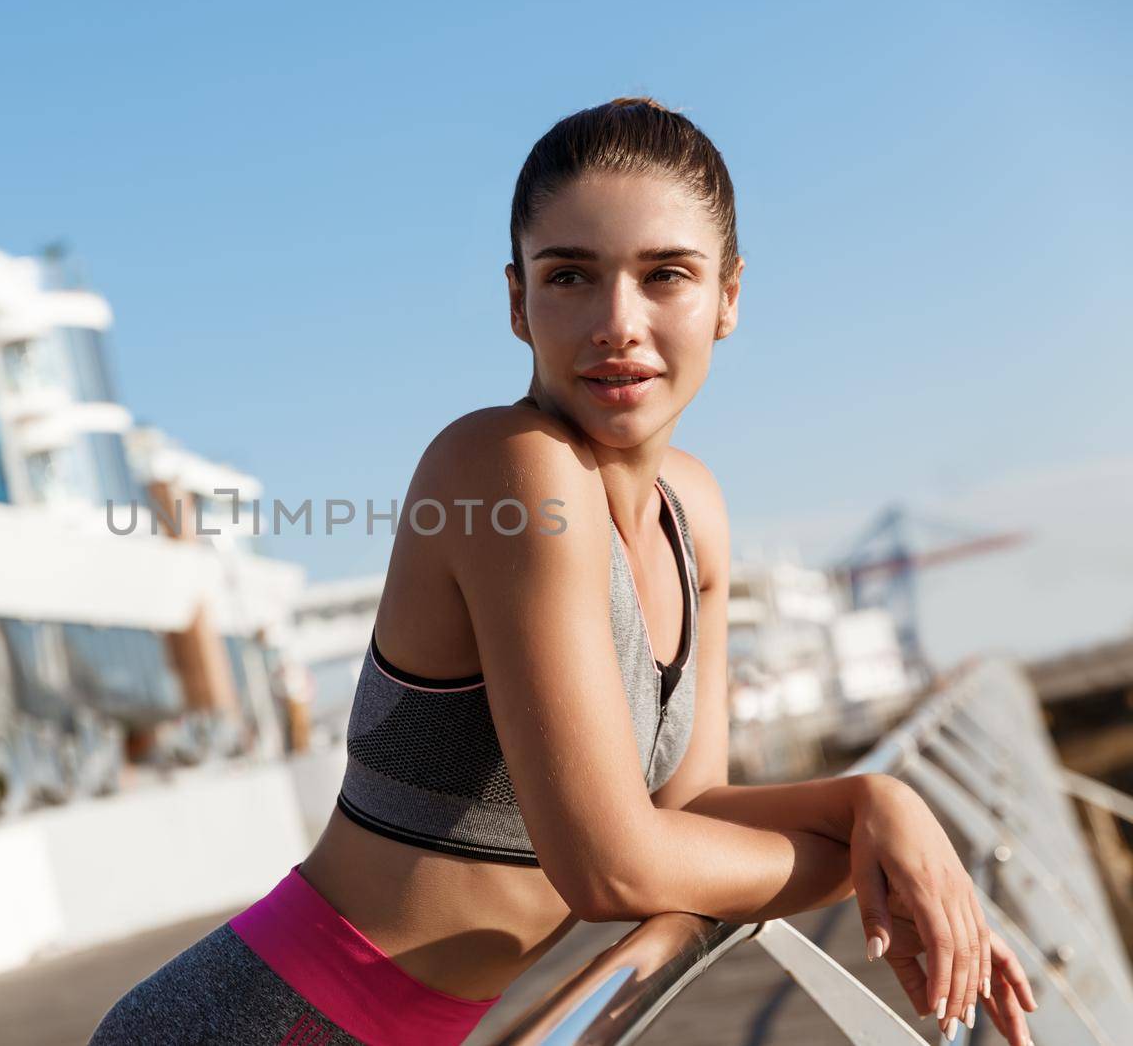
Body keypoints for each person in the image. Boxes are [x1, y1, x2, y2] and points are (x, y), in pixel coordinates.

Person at [90, 97, 1039, 1046]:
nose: (616, 323)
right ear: (517, 302)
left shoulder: (691, 510)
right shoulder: (509, 468)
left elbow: (684, 812)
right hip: (262, 1021)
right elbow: (614, 868)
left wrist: (882, 803)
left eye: (666, 274)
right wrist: (871, 858)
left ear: (730, 295)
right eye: (571, 277)